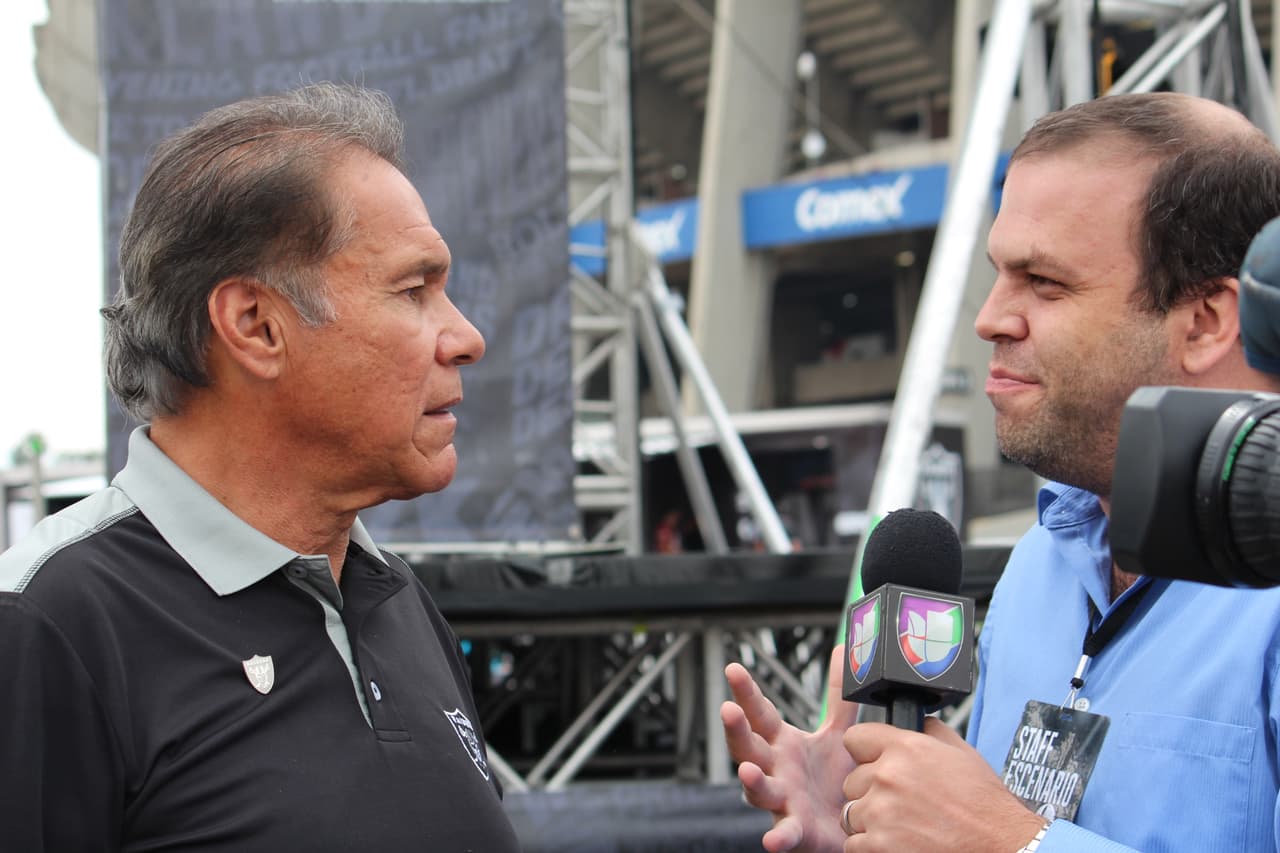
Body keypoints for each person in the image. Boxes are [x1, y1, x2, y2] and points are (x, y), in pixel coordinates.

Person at [721, 92, 1280, 852]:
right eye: (998, 272)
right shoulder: (1039, 566)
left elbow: (1005, 837)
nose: (990, 317)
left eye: (1044, 282)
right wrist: (873, 818)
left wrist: (1008, 842)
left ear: (1208, 320)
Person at [0, 83, 521, 852]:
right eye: (414, 289)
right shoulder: (50, 624)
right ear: (255, 325)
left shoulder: (399, 602)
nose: (466, 336)